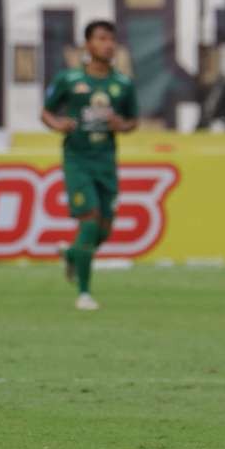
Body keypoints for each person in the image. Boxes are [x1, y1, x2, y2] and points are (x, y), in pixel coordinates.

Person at [41, 21, 137, 311]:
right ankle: (84, 293)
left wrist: (122, 125)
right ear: (88, 45)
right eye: (101, 38)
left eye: (111, 39)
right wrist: (59, 124)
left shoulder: (123, 84)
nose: (108, 44)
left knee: (104, 230)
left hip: (106, 162)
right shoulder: (69, 80)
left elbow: (133, 120)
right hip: (78, 161)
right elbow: (46, 112)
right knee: (90, 219)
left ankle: (72, 255)